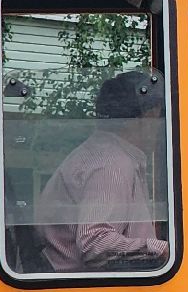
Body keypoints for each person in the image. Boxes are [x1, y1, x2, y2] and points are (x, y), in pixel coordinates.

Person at [36, 69, 170, 272]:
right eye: (160, 116)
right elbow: (95, 243)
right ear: (149, 115)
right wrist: (165, 251)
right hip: (88, 291)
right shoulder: (112, 165)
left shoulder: (99, 152)